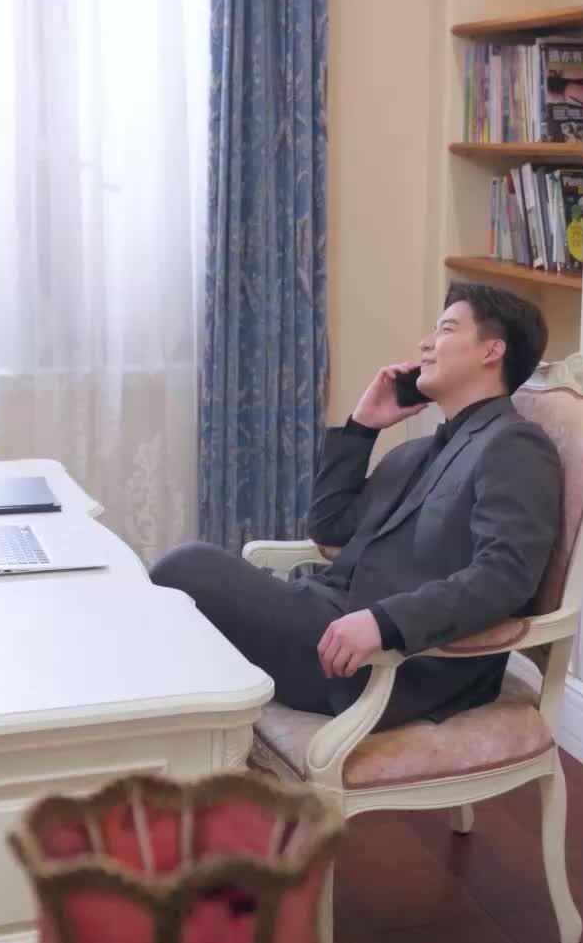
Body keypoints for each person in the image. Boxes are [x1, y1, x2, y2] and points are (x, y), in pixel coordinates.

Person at [151, 282, 562, 730]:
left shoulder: (513, 445)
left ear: (491, 351)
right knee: (173, 605)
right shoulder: (415, 452)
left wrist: (385, 623)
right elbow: (330, 527)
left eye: (446, 329)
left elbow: (505, 576)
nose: (425, 344)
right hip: (327, 617)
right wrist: (363, 426)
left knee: (186, 566)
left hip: (389, 660)